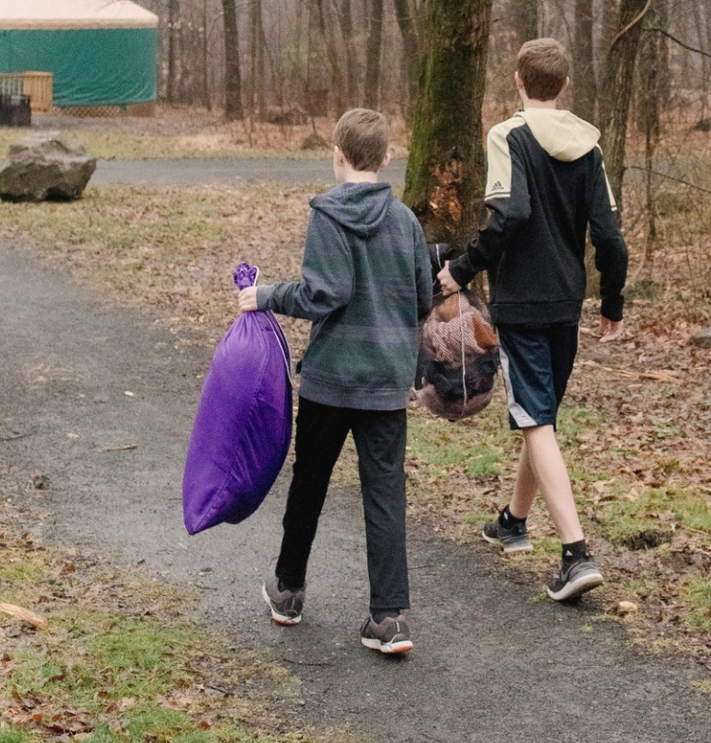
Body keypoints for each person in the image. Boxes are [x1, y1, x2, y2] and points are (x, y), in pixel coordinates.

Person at [437, 38, 628, 602]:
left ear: (519, 79)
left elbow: (511, 212)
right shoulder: (588, 146)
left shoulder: (508, 135)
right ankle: (513, 522)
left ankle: (575, 554)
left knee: (535, 418)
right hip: (566, 302)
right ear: (563, 85)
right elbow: (610, 238)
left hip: (520, 302)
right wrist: (611, 302)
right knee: (537, 415)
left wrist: (463, 268)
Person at [239, 108, 432, 655]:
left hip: (330, 380)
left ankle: (289, 590)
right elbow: (422, 299)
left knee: (310, 482)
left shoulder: (328, 215)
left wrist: (266, 295)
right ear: (387, 158)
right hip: (386, 381)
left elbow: (324, 294)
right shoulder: (406, 222)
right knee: (385, 491)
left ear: (338, 155)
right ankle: (389, 617)